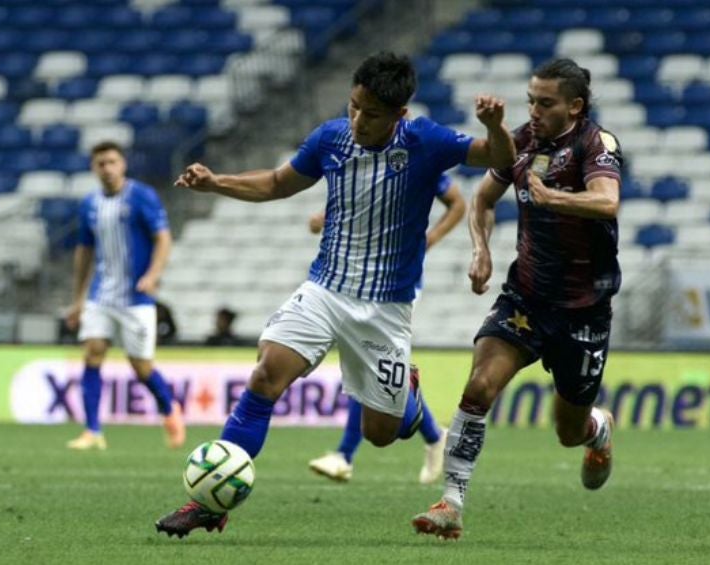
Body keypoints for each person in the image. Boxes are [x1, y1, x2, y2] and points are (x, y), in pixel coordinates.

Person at [155, 51, 515, 537]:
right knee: (264, 377)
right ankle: (208, 504)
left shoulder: (425, 140)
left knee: (380, 435)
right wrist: (217, 182)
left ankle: (405, 398)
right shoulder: (331, 138)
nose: (358, 120)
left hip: (385, 309)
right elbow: (279, 183)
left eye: (371, 113)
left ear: (399, 115)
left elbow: (498, 158)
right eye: (353, 106)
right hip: (325, 290)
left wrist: (495, 127)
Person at [411, 58, 623, 540]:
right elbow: (483, 201)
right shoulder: (522, 141)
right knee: (479, 387)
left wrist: (556, 200)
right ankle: (452, 502)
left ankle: (597, 427)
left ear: (575, 106)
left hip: (583, 309)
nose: (535, 111)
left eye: (545, 103)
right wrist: (481, 251)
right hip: (525, 298)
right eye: (531, 100)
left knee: (567, 432)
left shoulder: (596, 143)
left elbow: (607, 200)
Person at [307, 172, 465, 484]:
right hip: (358, 280)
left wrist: (430, 239)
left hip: (397, 283)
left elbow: (458, 204)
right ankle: (434, 436)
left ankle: (345, 455)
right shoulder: (367, 156)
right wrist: (327, 217)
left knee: (368, 359)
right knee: (370, 362)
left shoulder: (420, 153)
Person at [64, 141, 185, 451]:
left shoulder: (141, 196)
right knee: (92, 352)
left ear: (123, 164)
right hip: (100, 295)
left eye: (112, 161)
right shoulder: (90, 204)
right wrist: (78, 299)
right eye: (100, 163)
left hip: (136, 298)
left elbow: (163, 238)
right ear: (93, 168)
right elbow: (84, 251)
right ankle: (93, 431)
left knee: (141, 367)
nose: (107, 168)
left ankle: (170, 411)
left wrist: (153, 274)